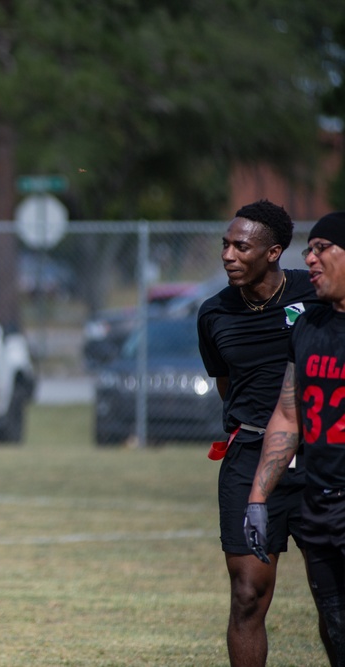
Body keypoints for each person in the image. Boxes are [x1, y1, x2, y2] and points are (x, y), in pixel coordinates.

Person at [197, 199, 326, 666]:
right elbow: (227, 388)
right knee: (247, 593)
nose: (229, 255)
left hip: (319, 457)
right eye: (225, 245)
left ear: (273, 252)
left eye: (241, 246)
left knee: (331, 594)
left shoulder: (315, 296)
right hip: (249, 454)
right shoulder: (214, 314)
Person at [246, 211, 345, 667]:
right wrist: (258, 497)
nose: (309, 258)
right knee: (336, 628)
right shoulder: (308, 327)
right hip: (319, 504)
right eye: (308, 248)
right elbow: (288, 415)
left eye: (322, 247)